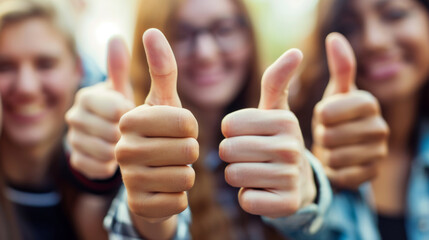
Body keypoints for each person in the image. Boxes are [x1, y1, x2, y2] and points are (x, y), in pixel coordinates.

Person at [66, 0, 332, 239]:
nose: (205, 52)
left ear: (249, 35)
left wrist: (308, 195)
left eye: (224, 29)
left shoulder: (295, 119)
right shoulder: (130, 139)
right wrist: (153, 216)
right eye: (182, 34)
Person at [292, 0, 429, 239]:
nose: (372, 40)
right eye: (348, 27)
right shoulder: (300, 152)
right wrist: (318, 186)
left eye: (394, 15)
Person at [0, 0, 115, 239]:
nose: (26, 87)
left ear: (78, 69)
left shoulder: (104, 182)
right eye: (5, 66)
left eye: (45, 64)